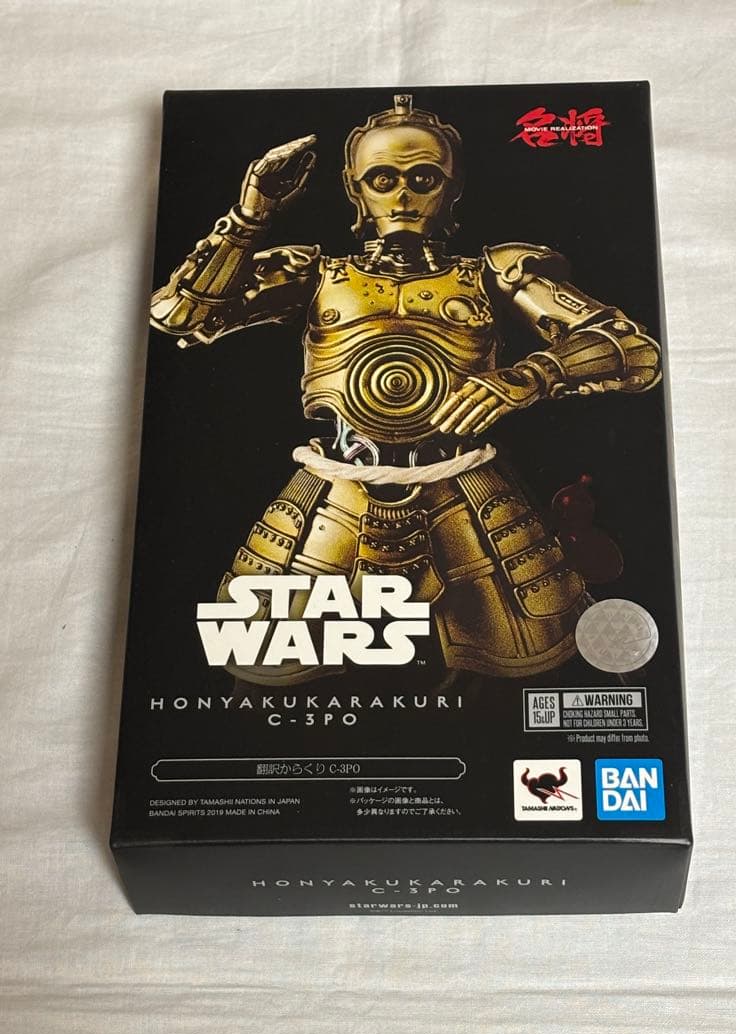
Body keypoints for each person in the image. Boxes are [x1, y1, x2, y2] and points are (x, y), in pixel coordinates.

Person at [150, 94, 660, 687]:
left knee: (518, 670)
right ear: (356, 190)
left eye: (423, 178)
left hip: (469, 499)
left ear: (452, 187)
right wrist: (250, 215)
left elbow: (633, 349)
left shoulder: (494, 271)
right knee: (265, 673)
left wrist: (528, 376)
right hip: (334, 494)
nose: (402, 196)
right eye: (382, 179)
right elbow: (177, 315)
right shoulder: (315, 273)